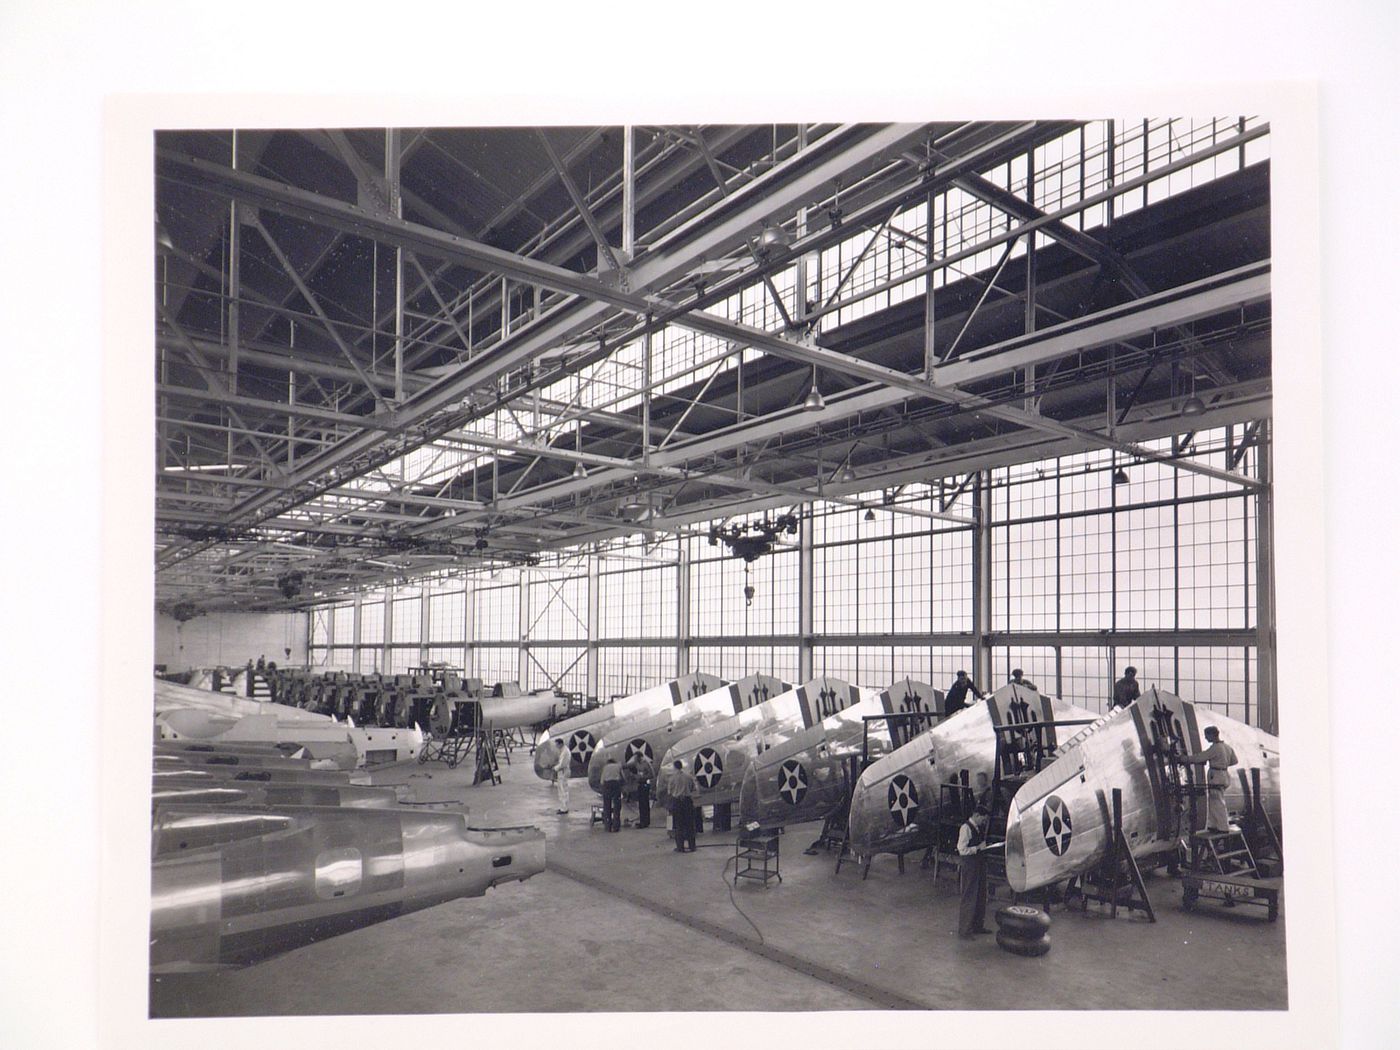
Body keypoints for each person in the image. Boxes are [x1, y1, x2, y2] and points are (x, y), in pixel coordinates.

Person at [1180, 726, 1238, 832]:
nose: (1206, 738)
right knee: (1215, 799)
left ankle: (1222, 827)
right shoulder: (1227, 747)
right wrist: (1222, 762)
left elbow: (1200, 757)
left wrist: (1185, 759)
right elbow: (1234, 761)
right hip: (1224, 774)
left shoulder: (1215, 748)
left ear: (1212, 735)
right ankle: (1214, 825)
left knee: (1217, 801)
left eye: (1207, 735)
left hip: (1216, 775)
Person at [957, 805, 993, 938]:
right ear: (976, 815)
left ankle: (978, 926)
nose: (984, 822)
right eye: (983, 819)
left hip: (978, 864)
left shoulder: (977, 827)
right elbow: (961, 849)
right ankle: (964, 930)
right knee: (969, 895)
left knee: (980, 895)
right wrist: (978, 848)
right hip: (970, 865)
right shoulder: (965, 828)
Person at [667, 759, 698, 853]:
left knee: (678, 825)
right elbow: (693, 788)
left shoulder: (672, 778)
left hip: (677, 802)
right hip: (687, 801)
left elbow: (670, 791)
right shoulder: (689, 776)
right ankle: (692, 846)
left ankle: (680, 847)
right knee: (689, 824)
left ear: (675, 767)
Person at [630, 753, 654, 829]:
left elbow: (652, 774)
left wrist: (642, 777)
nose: (634, 759)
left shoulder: (646, 764)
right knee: (641, 804)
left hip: (645, 783)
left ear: (640, 757)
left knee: (644, 803)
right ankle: (642, 820)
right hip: (639, 784)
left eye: (636, 758)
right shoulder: (636, 764)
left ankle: (645, 821)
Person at [601, 757, 624, 832]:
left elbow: (602, 781)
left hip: (607, 785)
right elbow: (623, 777)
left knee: (607, 806)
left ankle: (608, 826)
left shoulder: (605, 767)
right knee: (617, 806)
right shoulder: (618, 766)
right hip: (615, 785)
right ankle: (616, 826)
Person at [551, 738, 571, 814]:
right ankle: (563, 807)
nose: (556, 746)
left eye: (557, 744)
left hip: (563, 772)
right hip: (562, 772)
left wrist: (555, 768)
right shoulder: (563, 750)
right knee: (561, 790)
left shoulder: (565, 752)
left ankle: (564, 808)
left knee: (563, 790)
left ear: (560, 744)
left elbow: (562, 764)